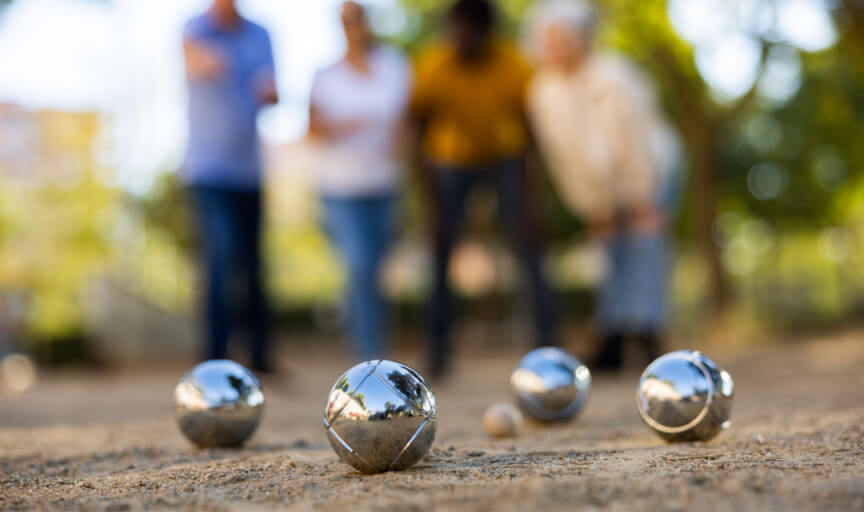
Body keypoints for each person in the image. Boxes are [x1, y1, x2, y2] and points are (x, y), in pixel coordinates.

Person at [525, 0, 685, 371]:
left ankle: (649, 338)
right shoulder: (542, 91)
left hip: (653, 169)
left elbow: (632, 143)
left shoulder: (614, 75)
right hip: (602, 186)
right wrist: (593, 207)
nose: (552, 46)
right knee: (609, 251)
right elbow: (563, 160)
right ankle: (612, 338)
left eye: (560, 37)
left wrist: (643, 200)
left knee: (644, 248)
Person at [411, 0, 559, 378]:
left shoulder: (514, 67)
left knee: (531, 250)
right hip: (449, 165)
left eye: (470, 32)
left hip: (504, 161)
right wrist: (432, 206)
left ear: (487, 33)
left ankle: (548, 349)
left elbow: (531, 134)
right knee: (440, 254)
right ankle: (438, 353)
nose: (461, 39)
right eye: (455, 30)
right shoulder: (432, 67)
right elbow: (417, 135)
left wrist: (529, 202)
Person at [307, 2, 411, 361]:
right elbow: (311, 129)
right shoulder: (325, 75)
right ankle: (369, 355)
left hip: (383, 184)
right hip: (340, 187)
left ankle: (369, 343)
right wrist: (345, 125)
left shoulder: (395, 66)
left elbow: (406, 121)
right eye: (345, 22)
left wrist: (400, 138)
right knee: (360, 265)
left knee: (377, 272)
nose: (352, 27)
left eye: (356, 20)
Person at [182, 0, 278, 372]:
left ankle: (261, 356)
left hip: (249, 169)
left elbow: (272, 90)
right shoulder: (195, 27)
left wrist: (268, 92)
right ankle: (214, 360)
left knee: (254, 264)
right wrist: (223, 64)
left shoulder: (261, 34)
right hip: (207, 170)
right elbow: (198, 61)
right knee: (221, 257)